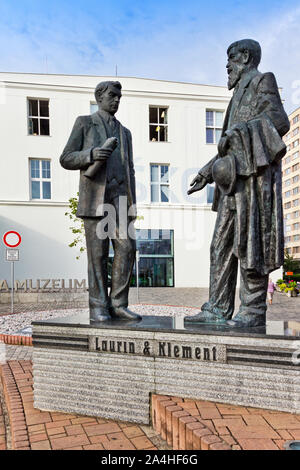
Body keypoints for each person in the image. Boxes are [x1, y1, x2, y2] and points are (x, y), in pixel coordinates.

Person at [186, 39, 290, 327]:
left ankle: (252, 312)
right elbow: (228, 146)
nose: (227, 65)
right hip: (232, 185)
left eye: (230, 58)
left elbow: (279, 122)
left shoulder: (261, 81)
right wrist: (207, 172)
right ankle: (217, 308)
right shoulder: (236, 96)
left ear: (245, 57)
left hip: (254, 184)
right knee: (219, 245)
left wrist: (240, 131)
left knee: (250, 244)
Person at [60, 81, 141, 323]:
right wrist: (92, 154)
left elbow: (131, 170)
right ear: (99, 97)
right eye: (112, 96)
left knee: (127, 248)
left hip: (121, 200)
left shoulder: (125, 133)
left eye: (119, 97)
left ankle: (118, 304)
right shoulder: (84, 122)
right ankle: (98, 306)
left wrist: (132, 206)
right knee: (97, 256)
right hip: (95, 199)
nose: (116, 100)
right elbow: (66, 158)